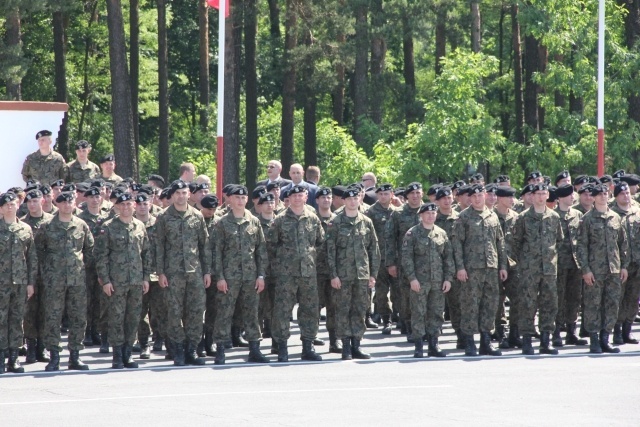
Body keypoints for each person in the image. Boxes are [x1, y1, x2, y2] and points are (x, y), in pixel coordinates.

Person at [36, 191, 94, 371]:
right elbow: (38, 252)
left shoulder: (81, 225)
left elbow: (90, 250)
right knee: (53, 317)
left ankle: (75, 355)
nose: (67, 205)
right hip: (54, 281)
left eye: (70, 202)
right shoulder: (47, 226)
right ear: (57, 204)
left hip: (77, 279)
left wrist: (83, 267)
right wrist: (47, 272)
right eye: (64, 202)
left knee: (78, 317)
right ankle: (54, 355)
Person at [155, 180, 211, 366]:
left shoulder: (197, 216)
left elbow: (204, 246)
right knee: (174, 313)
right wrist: (161, 272)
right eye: (177, 193)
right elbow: (159, 247)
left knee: (195, 312)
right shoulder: (164, 217)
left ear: (189, 194)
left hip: (195, 272)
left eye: (184, 192)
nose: (181, 196)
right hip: (173, 273)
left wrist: (207, 272)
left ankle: (192, 350)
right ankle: (177, 350)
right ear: (172, 195)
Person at [212, 185, 269, 364]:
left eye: (243, 198)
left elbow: (261, 250)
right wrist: (219, 277)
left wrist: (261, 275)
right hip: (229, 277)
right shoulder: (222, 223)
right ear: (230, 200)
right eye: (237, 197)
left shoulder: (254, 221)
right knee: (224, 313)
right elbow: (216, 253)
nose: (240, 200)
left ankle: (254, 349)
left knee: (252, 313)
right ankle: (220, 348)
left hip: (250, 277)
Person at [95, 193, 152, 369]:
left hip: (136, 281)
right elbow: (101, 256)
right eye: (123, 204)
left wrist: (146, 277)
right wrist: (105, 281)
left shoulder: (140, 226)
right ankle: (117, 355)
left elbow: (146, 254)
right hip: (116, 282)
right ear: (117, 207)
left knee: (133, 318)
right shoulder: (108, 227)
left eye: (129, 204)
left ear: (133, 205)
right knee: (116, 318)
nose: (126, 207)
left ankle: (128, 352)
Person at [270, 184, 324, 362]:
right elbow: (271, 245)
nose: (297, 198)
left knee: (309, 310)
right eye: (294, 196)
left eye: (301, 195)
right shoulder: (280, 220)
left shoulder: (313, 218)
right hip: (286, 274)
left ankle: (307, 346)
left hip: (308, 272)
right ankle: (282, 347)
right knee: (283, 311)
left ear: (306, 196)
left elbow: (319, 242)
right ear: (289, 199)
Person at [451, 184, 508, 356]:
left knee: (489, 305)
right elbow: (457, 245)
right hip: (471, 268)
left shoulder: (493, 216)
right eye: (473, 196)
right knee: (470, 305)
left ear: (485, 195)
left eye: (480, 195)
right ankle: (469, 342)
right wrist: (460, 267)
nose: (477, 198)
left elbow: (500, 243)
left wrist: (503, 266)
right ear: (470, 198)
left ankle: (486, 341)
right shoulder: (463, 217)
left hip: (491, 267)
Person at [326, 187, 380, 360]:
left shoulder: (366, 222)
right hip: (343, 276)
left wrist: (373, 275)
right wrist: (333, 275)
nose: (351, 201)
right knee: (342, 310)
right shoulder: (335, 223)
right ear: (344, 201)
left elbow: (374, 250)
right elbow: (329, 252)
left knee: (360, 310)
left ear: (359, 200)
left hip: (362, 275)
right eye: (348, 199)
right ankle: (346, 346)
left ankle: (357, 344)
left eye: (355, 198)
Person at [510, 184, 564, 355]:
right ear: (531, 197)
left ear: (548, 195)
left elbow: (559, 241)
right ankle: (526, 339)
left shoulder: (554, 217)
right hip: (529, 270)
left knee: (549, 304)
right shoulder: (523, 218)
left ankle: (545, 341)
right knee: (527, 304)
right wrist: (523, 263)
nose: (541, 197)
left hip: (549, 269)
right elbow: (514, 243)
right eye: (538, 194)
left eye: (544, 193)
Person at [576, 184, 629, 354]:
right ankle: (594, 340)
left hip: (613, 269)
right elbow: (581, 247)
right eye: (599, 194)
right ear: (593, 197)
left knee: (612, 304)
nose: (603, 197)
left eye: (605, 193)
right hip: (595, 270)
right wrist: (585, 270)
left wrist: (624, 266)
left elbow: (623, 244)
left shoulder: (615, 218)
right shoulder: (587, 219)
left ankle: (605, 338)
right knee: (593, 304)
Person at [402, 202, 453, 358]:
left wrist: (448, 278)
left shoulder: (441, 234)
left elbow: (448, 258)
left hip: (438, 281)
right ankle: (418, 346)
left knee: (436, 312)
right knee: (418, 312)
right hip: (420, 281)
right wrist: (412, 278)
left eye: (433, 213)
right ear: (421, 215)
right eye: (428, 213)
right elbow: (407, 258)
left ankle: (433, 344)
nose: (431, 216)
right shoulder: (412, 233)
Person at [0, 192, 36, 373]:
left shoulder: (25, 229)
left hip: (20, 282)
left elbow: (31, 258)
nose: (9, 207)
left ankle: (13, 358)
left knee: (16, 320)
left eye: (12, 203)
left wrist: (30, 283)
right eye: (6, 204)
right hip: (1, 283)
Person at [385, 182, 423, 341]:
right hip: (405, 262)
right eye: (412, 193)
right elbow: (390, 238)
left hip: (427, 262)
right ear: (406, 196)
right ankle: (408, 325)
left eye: (418, 193)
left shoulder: (429, 211)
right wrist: (391, 262)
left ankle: (424, 327)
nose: (415, 196)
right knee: (406, 296)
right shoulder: (398, 214)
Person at [553, 184, 587, 347]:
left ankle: (572, 331)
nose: (572, 197)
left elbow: (581, 240)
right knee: (558, 298)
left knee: (575, 298)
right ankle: (557, 331)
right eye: (568, 195)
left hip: (575, 263)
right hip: (559, 263)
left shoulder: (578, 215)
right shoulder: (553, 216)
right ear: (560, 198)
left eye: (573, 194)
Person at [610, 182, 640, 345]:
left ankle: (627, 330)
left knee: (633, 298)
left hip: (637, 263)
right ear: (616, 196)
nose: (626, 196)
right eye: (622, 193)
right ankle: (616, 331)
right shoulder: (612, 214)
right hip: (620, 265)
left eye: (628, 193)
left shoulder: (637, 212)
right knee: (618, 299)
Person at [364, 183, 397, 334]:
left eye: (387, 194)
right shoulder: (370, 212)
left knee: (399, 291)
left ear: (392, 195)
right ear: (377, 195)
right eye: (381, 194)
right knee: (382, 292)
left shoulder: (397, 212)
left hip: (396, 258)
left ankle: (402, 318)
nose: (384, 197)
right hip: (379, 258)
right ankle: (386, 319)